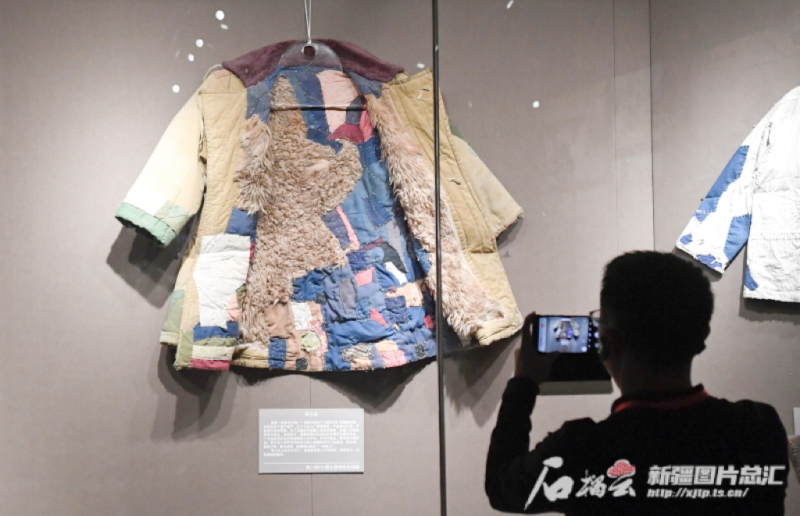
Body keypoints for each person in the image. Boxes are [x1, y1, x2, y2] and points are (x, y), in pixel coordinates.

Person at [485, 251, 789, 514]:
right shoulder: (760, 430)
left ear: (608, 342)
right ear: (702, 337)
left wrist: (523, 383)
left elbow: (501, 486)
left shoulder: (581, 452)